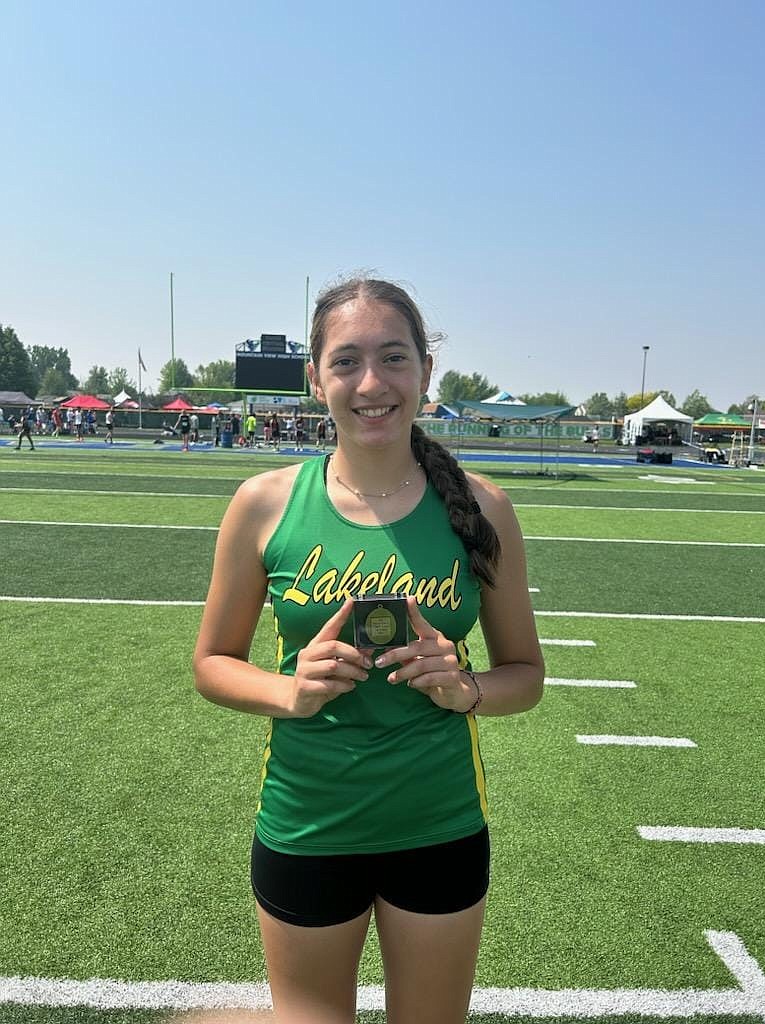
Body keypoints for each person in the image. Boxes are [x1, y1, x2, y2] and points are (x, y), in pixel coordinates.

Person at [193, 277, 544, 1024]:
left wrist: (467, 686)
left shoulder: (484, 509)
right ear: (314, 377)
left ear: (425, 372)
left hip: (439, 823)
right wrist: (290, 691)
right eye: (346, 361)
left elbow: (527, 675)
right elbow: (212, 663)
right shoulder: (264, 501)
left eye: (394, 358)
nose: (372, 382)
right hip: (307, 822)